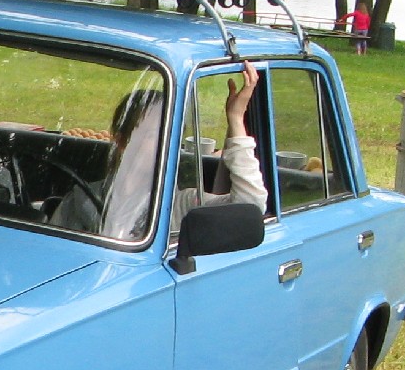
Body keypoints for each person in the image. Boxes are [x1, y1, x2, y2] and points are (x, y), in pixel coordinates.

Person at [53, 61, 264, 238]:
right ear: (122, 142)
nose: (162, 144)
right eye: (151, 135)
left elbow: (250, 206)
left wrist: (236, 119)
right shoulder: (81, 198)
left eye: (169, 137)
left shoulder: (180, 204)